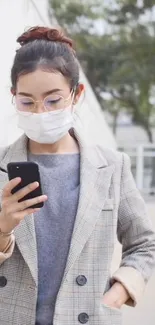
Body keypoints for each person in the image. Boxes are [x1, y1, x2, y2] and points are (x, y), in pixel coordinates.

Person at [0, 26, 155, 325]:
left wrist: (117, 293)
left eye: (53, 100)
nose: (40, 112)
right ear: (13, 97)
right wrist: (3, 227)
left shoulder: (112, 166)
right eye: (27, 101)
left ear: (76, 93)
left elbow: (144, 243)